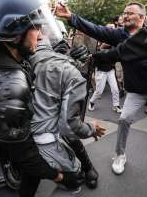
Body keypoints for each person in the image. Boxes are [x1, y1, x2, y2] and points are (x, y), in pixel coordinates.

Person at [0, 0, 84, 197]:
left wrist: (67, 57)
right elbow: (24, 154)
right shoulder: (10, 83)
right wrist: (60, 176)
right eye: (36, 28)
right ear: (16, 33)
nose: (41, 36)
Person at [55, 0, 147, 176]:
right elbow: (96, 30)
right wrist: (71, 16)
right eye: (124, 13)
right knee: (124, 119)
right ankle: (120, 155)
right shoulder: (119, 35)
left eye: (130, 13)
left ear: (141, 17)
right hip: (136, 91)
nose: (125, 15)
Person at [30, 27, 105, 189]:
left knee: (70, 134)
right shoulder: (20, 56)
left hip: (54, 108)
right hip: (35, 118)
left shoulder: (51, 50)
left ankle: (88, 166)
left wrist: (70, 60)